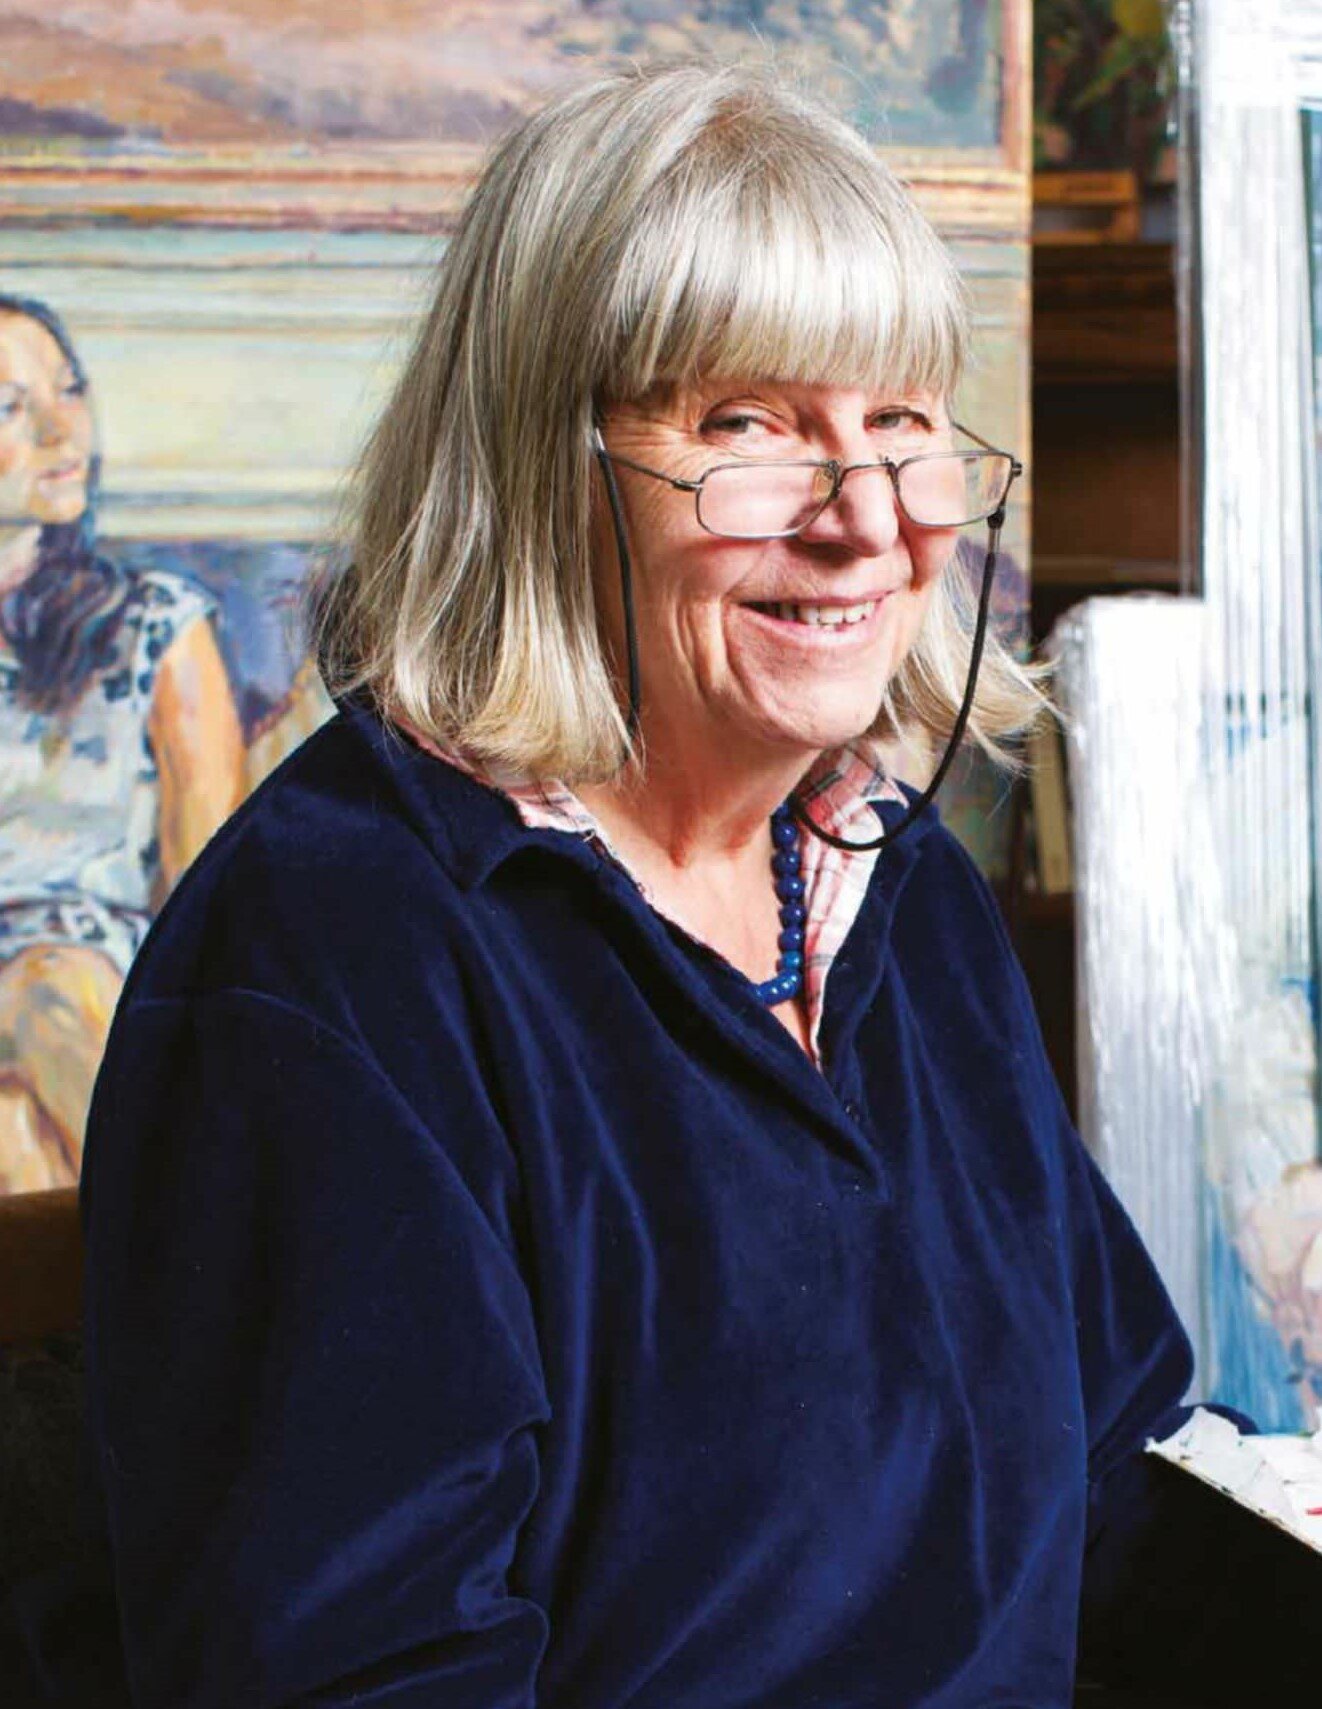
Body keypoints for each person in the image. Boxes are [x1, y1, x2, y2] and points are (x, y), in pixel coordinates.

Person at [78, 60, 1312, 1709]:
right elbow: (366, 1672)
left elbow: (1107, 1496)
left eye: (900, 420)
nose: (865, 519)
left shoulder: (902, 886)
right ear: (537, 460)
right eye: (746, 425)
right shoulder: (331, 958)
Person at [0, 297, 244, 1193]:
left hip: (95, 983)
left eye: (70, 391)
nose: (63, 431)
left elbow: (213, 900)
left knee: (45, 990)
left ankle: (191, 1217)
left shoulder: (155, 625)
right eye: (11, 407)